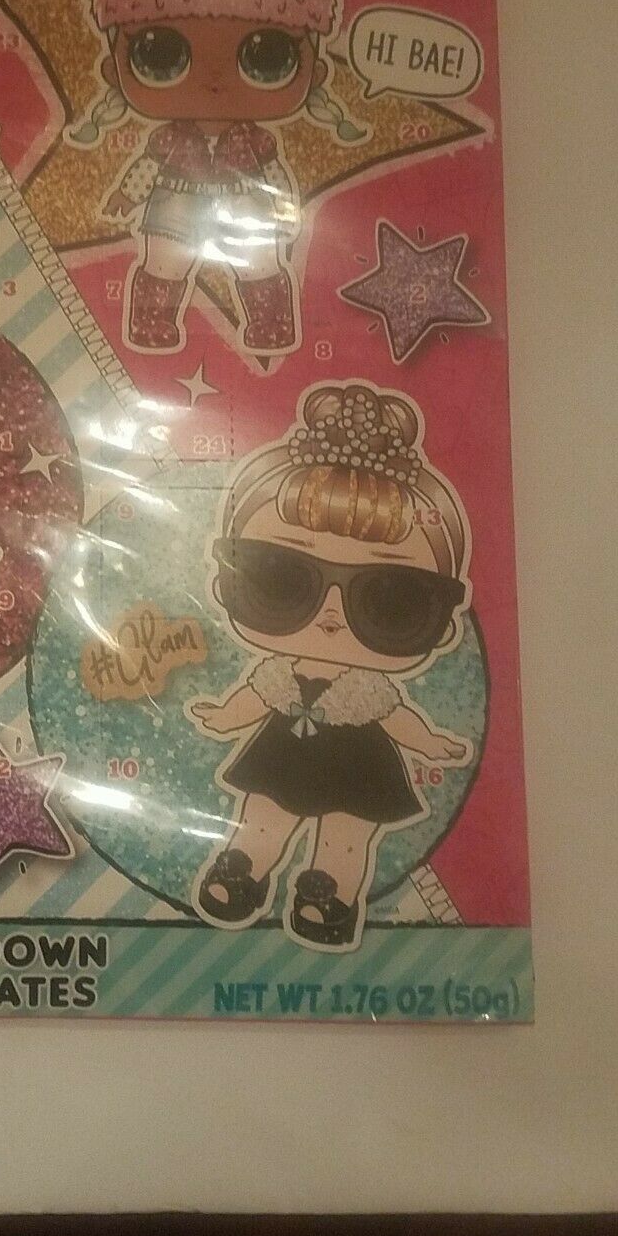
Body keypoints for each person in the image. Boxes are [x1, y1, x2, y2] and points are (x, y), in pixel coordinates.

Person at [188, 383, 472, 949]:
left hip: (358, 768)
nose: (332, 617)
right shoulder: (279, 674)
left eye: (389, 600)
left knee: (345, 835)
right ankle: (243, 869)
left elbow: (397, 719)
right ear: (227, 583)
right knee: (263, 815)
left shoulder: (368, 688)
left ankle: (330, 895)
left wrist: (430, 743)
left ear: (439, 620)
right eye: (281, 580)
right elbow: (252, 698)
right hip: (281, 756)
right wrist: (224, 715)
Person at [83, 0, 362, 356]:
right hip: (175, 201)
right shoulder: (171, 141)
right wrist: (127, 195)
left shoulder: (254, 141)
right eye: (160, 54)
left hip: (245, 203)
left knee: (260, 263)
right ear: (113, 69)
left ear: (314, 72)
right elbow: (146, 167)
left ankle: (270, 326)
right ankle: (153, 323)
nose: (213, 83)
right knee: (164, 260)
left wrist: (285, 207)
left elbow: (273, 174)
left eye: (267, 57)